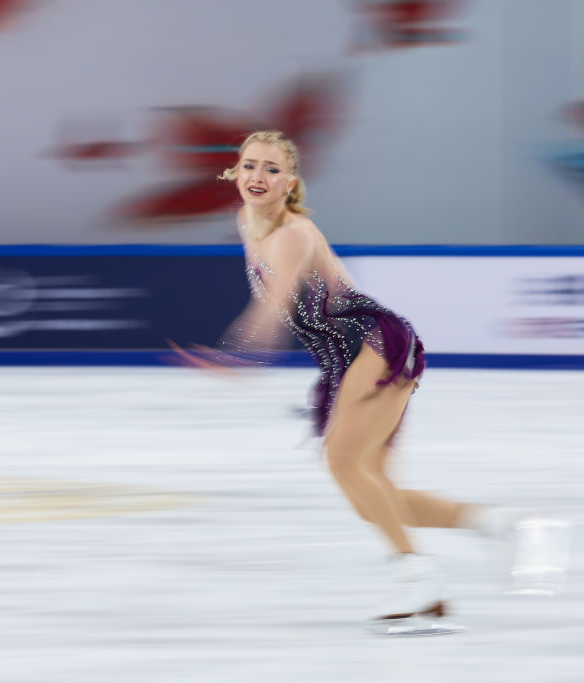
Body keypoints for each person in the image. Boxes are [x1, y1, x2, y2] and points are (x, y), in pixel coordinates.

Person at [173, 130, 560, 635]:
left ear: (290, 182)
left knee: (342, 461)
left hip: (374, 343)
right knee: (374, 496)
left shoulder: (295, 235)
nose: (258, 177)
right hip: (344, 360)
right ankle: (503, 525)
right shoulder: (246, 221)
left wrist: (238, 355)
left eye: (271, 169)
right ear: (235, 172)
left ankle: (417, 576)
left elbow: (274, 304)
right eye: (249, 166)